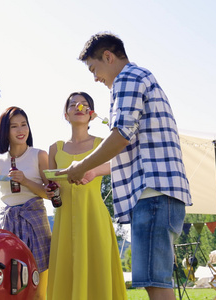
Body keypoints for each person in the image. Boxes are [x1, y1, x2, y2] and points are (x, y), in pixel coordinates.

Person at [58, 32, 192, 300]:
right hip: (159, 193)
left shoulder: (127, 79)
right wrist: (94, 170)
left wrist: (81, 165)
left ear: (108, 56)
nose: (95, 77)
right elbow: (133, 145)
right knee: (157, 281)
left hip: (152, 192)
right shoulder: (141, 78)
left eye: (94, 68)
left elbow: (121, 134)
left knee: (156, 282)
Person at [46, 92, 128, 300]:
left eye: (84, 105)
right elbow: (51, 185)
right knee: (67, 271)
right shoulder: (55, 149)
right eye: (73, 105)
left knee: (97, 271)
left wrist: (94, 171)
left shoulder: (103, 144)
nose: (78, 108)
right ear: (66, 115)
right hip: (64, 220)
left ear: (92, 115)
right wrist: (50, 189)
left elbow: (121, 164)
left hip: (93, 216)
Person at [0, 106, 51, 300]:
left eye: (24, 125)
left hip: (34, 219)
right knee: (8, 282)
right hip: (7, 225)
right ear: (5, 132)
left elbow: (51, 194)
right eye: (14, 126)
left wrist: (25, 181)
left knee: (38, 283)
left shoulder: (39, 155)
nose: (21, 130)